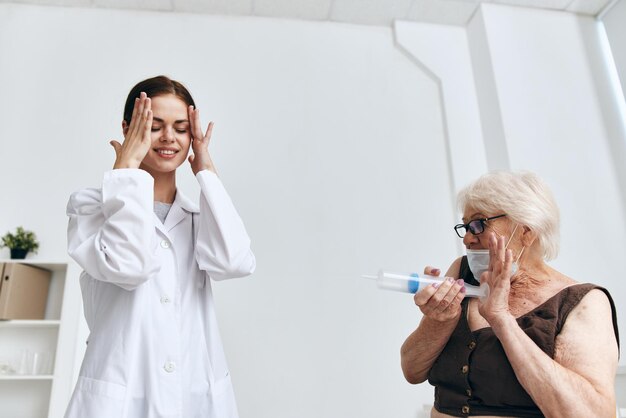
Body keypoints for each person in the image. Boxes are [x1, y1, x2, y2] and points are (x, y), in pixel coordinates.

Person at [65, 75, 256, 418]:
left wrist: (207, 171)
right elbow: (130, 267)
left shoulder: (201, 215)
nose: (169, 137)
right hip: (119, 399)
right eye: (154, 125)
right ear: (128, 127)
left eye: (182, 128)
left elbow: (235, 262)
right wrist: (125, 169)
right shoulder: (91, 207)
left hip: (195, 395)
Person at [400, 171, 619, 417]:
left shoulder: (583, 302)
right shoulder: (462, 273)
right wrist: (441, 320)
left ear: (526, 231)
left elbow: (591, 414)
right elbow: (412, 370)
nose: (468, 239)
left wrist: (501, 319)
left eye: (479, 224)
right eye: (465, 227)